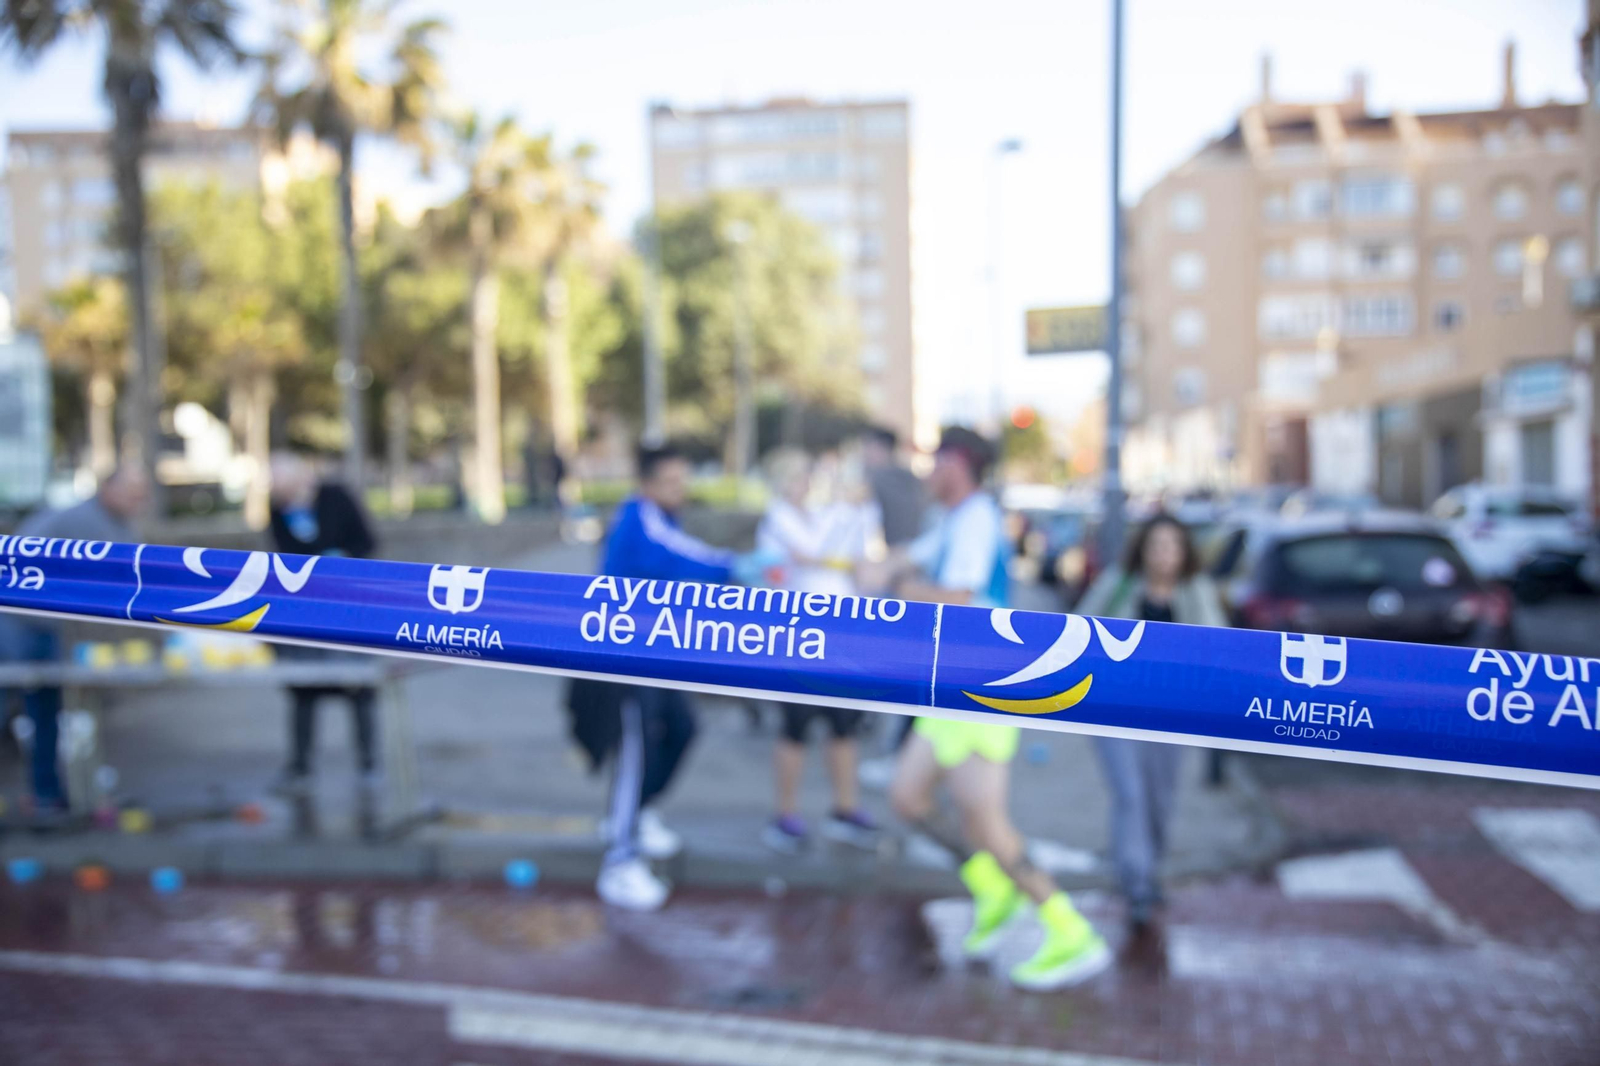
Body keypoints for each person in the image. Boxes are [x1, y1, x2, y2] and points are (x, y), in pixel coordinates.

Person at [880, 427, 1110, 990]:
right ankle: (993, 892)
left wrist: (902, 584)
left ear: (958, 464)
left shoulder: (977, 518)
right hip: (949, 686)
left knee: (986, 822)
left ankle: (1070, 930)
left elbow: (953, 597)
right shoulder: (953, 520)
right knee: (907, 798)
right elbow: (901, 564)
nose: (927, 472)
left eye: (934, 461)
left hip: (981, 685)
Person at [586, 442, 769, 911]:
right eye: (671, 482)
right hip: (622, 658)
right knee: (633, 754)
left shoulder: (663, 518)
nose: (680, 489)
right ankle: (619, 861)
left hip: (654, 655)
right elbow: (685, 559)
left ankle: (638, 814)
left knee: (683, 731)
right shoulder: (640, 520)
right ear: (646, 484)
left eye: (683, 480)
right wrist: (738, 566)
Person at [1076, 511, 1224, 934]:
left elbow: (1218, 642)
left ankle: (1151, 870)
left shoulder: (1195, 591)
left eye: (1172, 546)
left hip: (1170, 716)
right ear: (1143, 549)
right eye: (1156, 545)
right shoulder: (1119, 583)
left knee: (1161, 796)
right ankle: (1135, 881)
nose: (1163, 555)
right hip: (1114, 712)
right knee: (1130, 794)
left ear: (1184, 552)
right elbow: (1079, 629)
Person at [0, 466, 148, 813]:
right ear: (107, 489)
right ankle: (45, 795)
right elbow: (121, 587)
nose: (138, 500)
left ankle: (46, 794)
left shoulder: (106, 519)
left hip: (36, 625)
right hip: (21, 626)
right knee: (38, 711)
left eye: (141, 493)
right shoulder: (89, 522)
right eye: (131, 491)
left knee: (44, 713)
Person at [755, 449, 880, 853]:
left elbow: (856, 558)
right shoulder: (778, 520)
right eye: (797, 477)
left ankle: (845, 807)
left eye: (807, 477)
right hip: (800, 639)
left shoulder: (822, 515)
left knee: (844, 725)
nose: (804, 484)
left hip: (840, 634)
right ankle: (786, 814)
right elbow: (797, 561)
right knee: (796, 727)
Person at [266, 452, 381, 794]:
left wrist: (339, 562)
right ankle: (300, 765)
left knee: (359, 687)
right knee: (303, 690)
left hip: (348, 607)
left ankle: (368, 764)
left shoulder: (336, 497)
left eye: (284, 485)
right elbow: (283, 557)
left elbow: (366, 542)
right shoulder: (278, 510)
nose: (279, 493)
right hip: (305, 614)